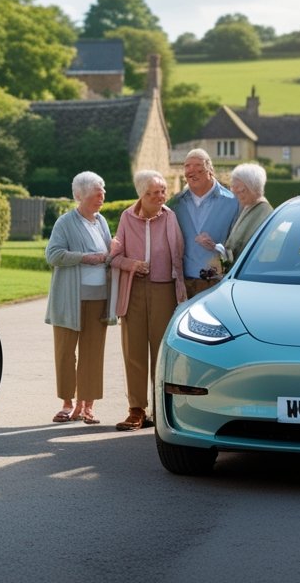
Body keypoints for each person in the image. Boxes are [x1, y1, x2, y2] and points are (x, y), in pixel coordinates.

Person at [109, 169, 187, 431]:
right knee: (134, 351)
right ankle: (136, 409)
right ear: (141, 195)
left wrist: (180, 294)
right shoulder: (126, 217)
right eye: (153, 193)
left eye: (163, 191)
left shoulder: (170, 217)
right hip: (134, 289)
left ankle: (160, 409)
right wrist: (131, 264)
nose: (160, 197)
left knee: (161, 353)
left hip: (163, 289)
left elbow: (178, 258)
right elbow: (115, 256)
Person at [44, 172, 112, 425]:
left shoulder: (101, 221)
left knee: (92, 353)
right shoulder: (65, 222)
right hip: (69, 300)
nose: (102, 196)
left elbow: (107, 254)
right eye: (97, 192)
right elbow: (53, 255)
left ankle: (87, 405)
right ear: (79, 195)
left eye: (103, 190)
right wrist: (84, 257)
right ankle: (67, 403)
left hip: (98, 299)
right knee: (65, 352)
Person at [172, 149, 240, 297]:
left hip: (218, 284)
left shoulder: (233, 203)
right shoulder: (175, 204)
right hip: (182, 284)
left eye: (197, 165)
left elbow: (239, 244)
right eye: (187, 166)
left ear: (210, 169)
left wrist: (217, 247)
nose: (191, 170)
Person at [219, 162, 273, 264]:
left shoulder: (263, 212)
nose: (236, 195)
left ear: (253, 188)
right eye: (234, 190)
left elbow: (247, 251)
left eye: (241, 191)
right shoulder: (247, 206)